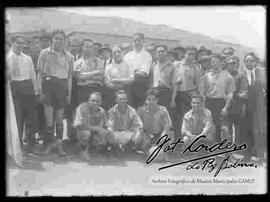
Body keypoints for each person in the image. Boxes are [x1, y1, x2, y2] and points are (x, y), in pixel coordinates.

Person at [37, 29, 74, 156]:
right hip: (48, 86)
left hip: (62, 87)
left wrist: (69, 93)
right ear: (52, 39)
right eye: (56, 38)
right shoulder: (44, 53)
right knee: (49, 121)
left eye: (61, 39)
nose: (59, 41)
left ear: (64, 41)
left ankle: (59, 146)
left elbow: (69, 77)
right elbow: (40, 74)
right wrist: (40, 91)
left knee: (59, 120)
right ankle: (48, 146)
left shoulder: (69, 56)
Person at [7, 35, 40, 155]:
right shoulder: (8, 58)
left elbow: (32, 74)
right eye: (18, 43)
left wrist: (36, 90)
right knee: (17, 118)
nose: (20, 45)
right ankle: (18, 145)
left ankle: (31, 144)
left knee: (31, 117)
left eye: (22, 43)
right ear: (12, 43)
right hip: (14, 88)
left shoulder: (27, 58)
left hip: (27, 87)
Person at [199, 54, 235, 143]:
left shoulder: (227, 76)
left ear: (221, 63)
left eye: (216, 61)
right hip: (209, 102)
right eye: (212, 62)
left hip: (221, 103)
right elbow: (202, 91)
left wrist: (226, 107)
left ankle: (223, 147)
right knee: (209, 125)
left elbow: (230, 93)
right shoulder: (206, 76)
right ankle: (210, 146)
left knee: (222, 126)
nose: (214, 63)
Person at [170, 46, 202, 138]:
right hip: (178, 95)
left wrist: (201, 96)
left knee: (188, 118)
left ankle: (188, 141)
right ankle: (177, 140)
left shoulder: (196, 68)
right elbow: (174, 81)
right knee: (177, 119)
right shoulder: (177, 65)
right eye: (189, 54)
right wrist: (172, 99)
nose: (191, 56)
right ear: (185, 54)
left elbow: (199, 84)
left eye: (193, 54)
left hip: (190, 96)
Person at [73, 92, 112, 160]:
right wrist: (98, 129)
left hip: (94, 132)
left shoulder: (102, 111)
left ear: (101, 102)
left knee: (107, 133)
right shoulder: (82, 108)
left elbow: (106, 125)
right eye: (93, 100)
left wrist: (108, 131)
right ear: (88, 100)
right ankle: (82, 150)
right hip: (80, 131)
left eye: (97, 101)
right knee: (86, 133)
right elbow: (81, 126)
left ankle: (98, 148)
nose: (95, 103)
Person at [243, 52, 266, 163]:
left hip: (259, 107)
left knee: (259, 131)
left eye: (251, 60)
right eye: (246, 60)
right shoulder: (241, 74)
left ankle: (261, 156)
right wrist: (240, 95)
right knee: (247, 131)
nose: (249, 63)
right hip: (245, 107)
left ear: (255, 62)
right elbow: (235, 91)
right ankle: (247, 156)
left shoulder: (261, 73)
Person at [137, 88, 174, 156]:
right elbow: (137, 126)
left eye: (153, 99)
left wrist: (163, 135)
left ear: (157, 100)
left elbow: (167, 126)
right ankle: (143, 149)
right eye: (149, 99)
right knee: (138, 136)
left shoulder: (163, 110)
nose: (151, 101)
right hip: (147, 135)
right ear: (146, 100)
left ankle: (163, 151)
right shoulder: (140, 111)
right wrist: (144, 135)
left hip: (159, 134)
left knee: (168, 136)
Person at [124, 33, 152, 109]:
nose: (137, 42)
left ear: (143, 41)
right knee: (128, 109)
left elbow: (144, 73)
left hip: (140, 86)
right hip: (127, 86)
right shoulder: (127, 56)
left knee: (139, 109)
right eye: (135, 40)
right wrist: (135, 71)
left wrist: (131, 73)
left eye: (139, 40)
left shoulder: (147, 56)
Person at [224, 56, 248, 145]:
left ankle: (237, 147)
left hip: (237, 105)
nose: (232, 65)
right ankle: (227, 147)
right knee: (226, 128)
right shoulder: (223, 74)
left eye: (234, 63)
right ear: (226, 64)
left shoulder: (241, 75)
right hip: (225, 104)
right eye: (230, 63)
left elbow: (244, 93)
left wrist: (237, 95)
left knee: (238, 128)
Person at [74, 38, 105, 106]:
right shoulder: (78, 62)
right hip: (83, 89)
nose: (89, 48)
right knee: (84, 110)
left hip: (97, 88)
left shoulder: (99, 61)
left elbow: (100, 76)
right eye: (87, 46)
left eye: (91, 47)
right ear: (82, 48)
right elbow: (80, 77)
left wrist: (86, 76)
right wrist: (95, 73)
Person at [150, 44, 175, 109]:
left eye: (162, 51)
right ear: (155, 54)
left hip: (166, 93)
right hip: (154, 93)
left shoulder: (171, 66)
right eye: (158, 52)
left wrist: (173, 99)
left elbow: (175, 84)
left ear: (166, 53)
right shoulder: (153, 65)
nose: (160, 53)